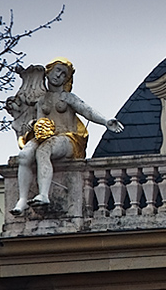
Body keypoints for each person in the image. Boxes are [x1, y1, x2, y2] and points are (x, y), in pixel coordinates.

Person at [11, 58, 124, 215]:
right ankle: (22, 200)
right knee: (24, 155)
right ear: (48, 72)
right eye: (57, 70)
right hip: (44, 136)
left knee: (44, 150)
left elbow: (87, 111)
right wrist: (31, 124)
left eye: (64, 74)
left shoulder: (68, 97)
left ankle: (43, 195)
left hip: (68, 138)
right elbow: (35, 119)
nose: (59, 75)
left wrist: (105, 121)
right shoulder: (40, 99)